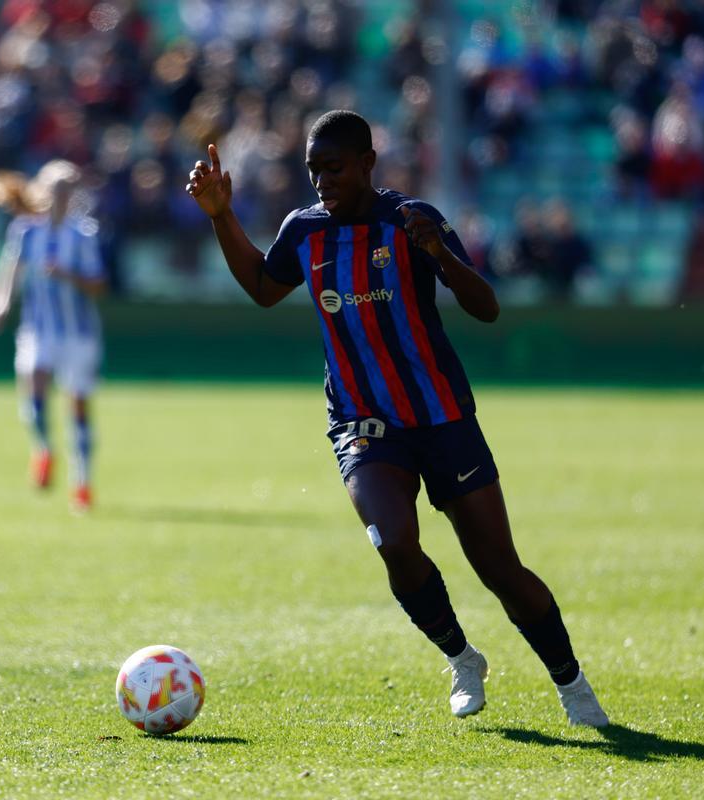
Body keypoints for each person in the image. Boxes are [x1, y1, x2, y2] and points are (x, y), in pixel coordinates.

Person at [185, 110, 608, 726]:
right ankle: (462, 658)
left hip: (441, 415)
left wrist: (438, 253)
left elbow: (485, 307)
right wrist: (222, 215)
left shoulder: (411, 221)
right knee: (395, 541)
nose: (323, 181)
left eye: (334, 168)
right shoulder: (303, 231)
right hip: (362, 420)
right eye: (313, 170)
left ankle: (571, 683)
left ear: (366, 164)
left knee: (499, 569)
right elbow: (262, 287)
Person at [0, 160, 107, 512]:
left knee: (77, 406)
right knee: (33, 387)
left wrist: (67, 275)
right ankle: (44, 449)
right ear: (44, 192)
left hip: (78, 333)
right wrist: (0, 301)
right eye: (56, 190)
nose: (61, 197)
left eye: (67, 190)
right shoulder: (26, 231)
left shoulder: (84, 234)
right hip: (38, 328)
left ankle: (81, 481)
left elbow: (99, 285)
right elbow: (11, 269)